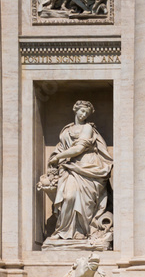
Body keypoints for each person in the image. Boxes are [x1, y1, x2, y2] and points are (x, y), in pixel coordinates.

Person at [45, 100, 113, 243]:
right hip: (70, 167)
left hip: (88, 166)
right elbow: (62, 147)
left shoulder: (88, 128)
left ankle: (81, 232)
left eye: (86, 113)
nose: (83, 114)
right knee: (69, 197)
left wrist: (58, 157)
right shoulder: (66, 130)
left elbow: (79, 148)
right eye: (82, 111)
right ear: (75, 110)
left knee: (85, 201)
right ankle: (63, 231)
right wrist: (57, 157)